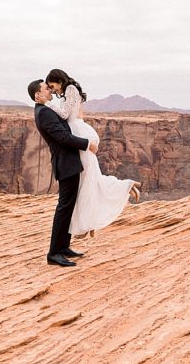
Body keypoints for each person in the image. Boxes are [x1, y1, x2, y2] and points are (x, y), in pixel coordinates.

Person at [44, 68, 141, 239]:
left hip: (77, 133)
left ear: (58, 80)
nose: (52, 90)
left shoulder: (70, 89)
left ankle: (90, 221)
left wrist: (47, 103)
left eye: (52, 86)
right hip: (76, 132)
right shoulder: (68, 90)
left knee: (88, 178)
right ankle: (90, 221)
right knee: (88, 178)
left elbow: (65, 114)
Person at [28, 78, 97, 267]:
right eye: (46, 89)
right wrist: (86, 144)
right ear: (37, 95)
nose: (49, 91)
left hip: (69, 162)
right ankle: (54, 253)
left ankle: (64, 247)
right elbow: (62, 137)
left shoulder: (45, 110)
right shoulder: (43, 113)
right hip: (65, 163)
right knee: (64, 207)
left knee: (68, 206)